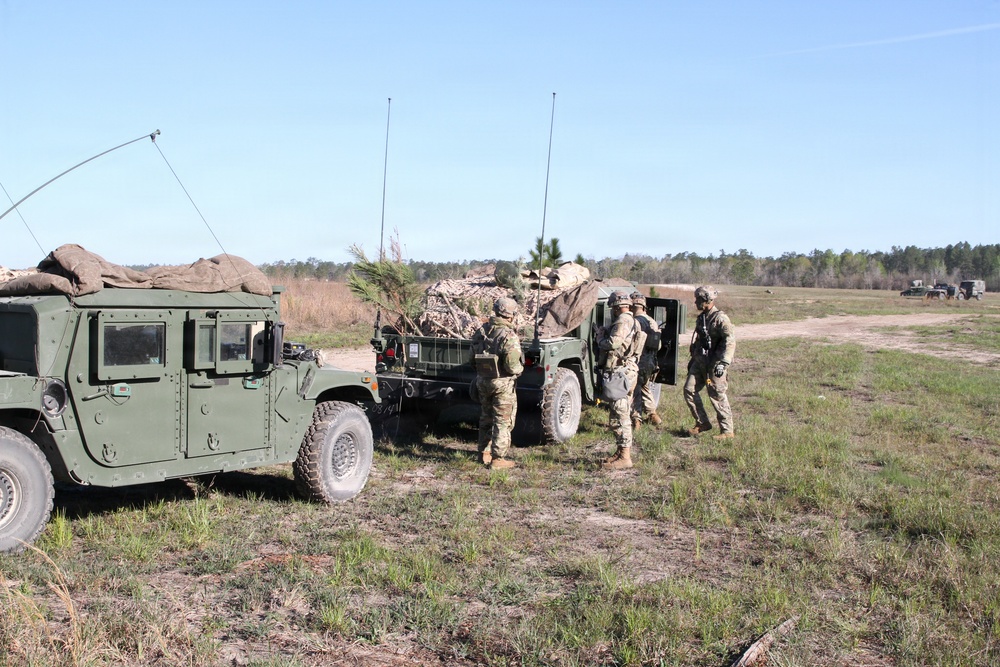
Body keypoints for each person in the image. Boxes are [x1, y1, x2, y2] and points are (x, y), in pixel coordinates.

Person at [471, 297, 524, 468]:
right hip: (502, 384)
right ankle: (498, 458)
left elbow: (471, 358)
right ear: (511, 315)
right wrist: (520, 370)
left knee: (486, 417)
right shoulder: (509, 335)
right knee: (502, 421)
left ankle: (483, 453)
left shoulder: (482, 331)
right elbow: (511, 365)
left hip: (482, 381)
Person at [596, 290, 645, 469]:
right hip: (625, 370)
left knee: (621, 412)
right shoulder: (632, 320)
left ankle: (625, 457)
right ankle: (619, 452)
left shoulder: (623, 321)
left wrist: (600, 339)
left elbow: (613, 343)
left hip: (621, 371)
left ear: (616, 308)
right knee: (616, 413)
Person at [684, 285, 736, 439]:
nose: (696, 302)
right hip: (700, 362)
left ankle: (727, 431)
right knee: (689, 389)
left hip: (715, 363)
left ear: (706, 300)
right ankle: (703, 423)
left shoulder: (720, 318)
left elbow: (730, 340)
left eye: (698, 299)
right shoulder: (702, 318)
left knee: (717, 395)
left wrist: (724, 362)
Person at [629, 292, 662, 430]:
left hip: (638, 361)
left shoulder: (634, 322)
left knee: (634, 390)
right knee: (644, 386)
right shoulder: (652, 321)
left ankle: (637, 420)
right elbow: (658, 345)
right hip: (651, 361)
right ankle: (653, 414)